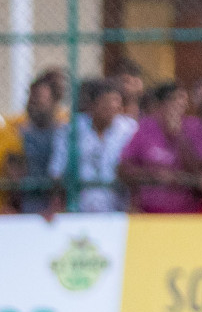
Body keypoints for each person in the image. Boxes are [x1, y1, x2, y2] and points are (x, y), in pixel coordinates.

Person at [118, 83, 202, 213]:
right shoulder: (146, 127)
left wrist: (178, 136)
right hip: (149, 212)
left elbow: (199, 169)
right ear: (159, 104)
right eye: (175, 99)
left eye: (184, 99)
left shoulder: (194, 126)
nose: (180, 103)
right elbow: (123, 168)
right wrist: (152, 175)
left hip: (187, 212)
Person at [50, 79, 137, 213]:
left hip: (117, 210)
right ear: (92, 105)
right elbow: (57, 171)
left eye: (116, 104)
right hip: (79, 209)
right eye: (106, 104)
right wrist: (57, 204)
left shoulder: (129, 130)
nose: (113, 108)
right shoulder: (71, 130)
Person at [9, 76, 63, 214]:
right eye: (31, 98)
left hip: (56, 207)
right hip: (28, 205)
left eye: (40, 98)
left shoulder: (63, 134)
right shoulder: (19, 134)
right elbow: (14, 175)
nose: (33, 103)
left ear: (53, 102)